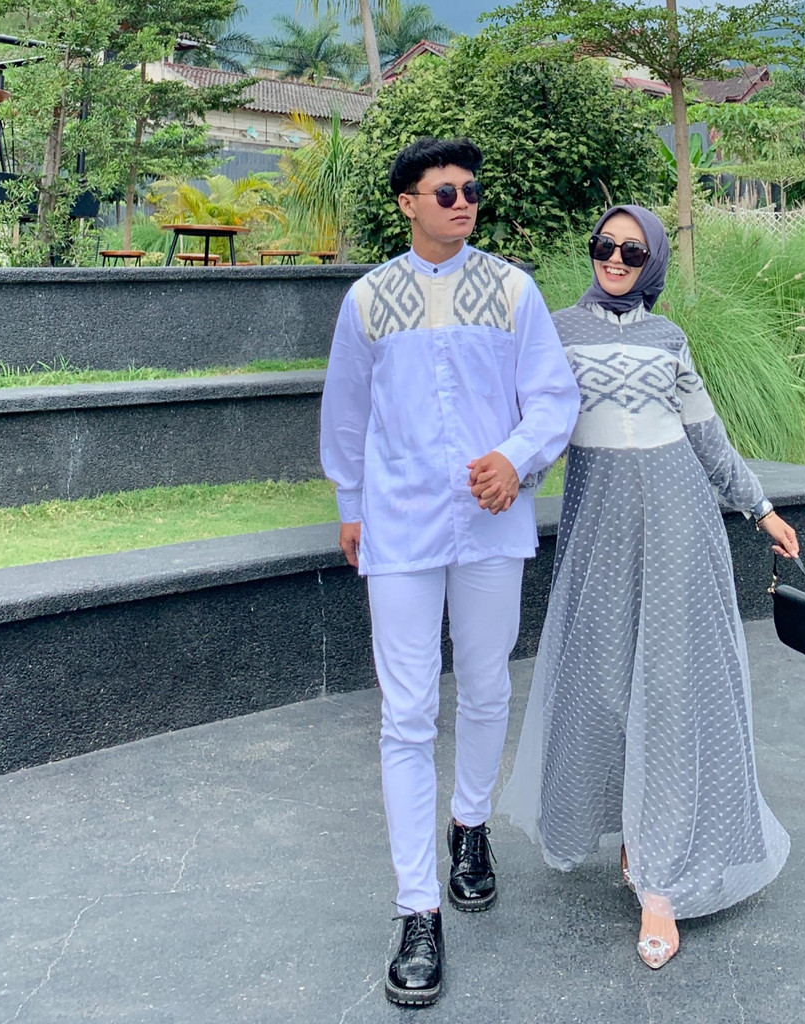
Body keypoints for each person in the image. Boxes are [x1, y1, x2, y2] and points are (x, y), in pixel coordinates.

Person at [497, 204, 799, 970]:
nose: (616, 258)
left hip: (679, 532)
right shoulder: (557, 331)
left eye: (633, 251)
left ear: (652, 261)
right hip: (600, 538)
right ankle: (633, 833)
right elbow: (539, 436)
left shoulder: (669, 339)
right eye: (604, 245)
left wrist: (760, 508)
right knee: (602, 691)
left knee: (668, 694)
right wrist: (500, 487)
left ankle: (660, 883)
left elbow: (708, 438)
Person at [319, 137, 580, 1007]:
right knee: (405, 714)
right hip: (398, 526)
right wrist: (350, 503)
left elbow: (553, 396)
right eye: (445, 191)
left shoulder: (511, 290)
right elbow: (346, 411)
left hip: (490, 524)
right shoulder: (369, 299)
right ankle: (417, 909)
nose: (463, 202)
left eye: (470, 190)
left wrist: (515, 457)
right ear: (408, 203)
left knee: (486, 685)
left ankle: (470, 825)